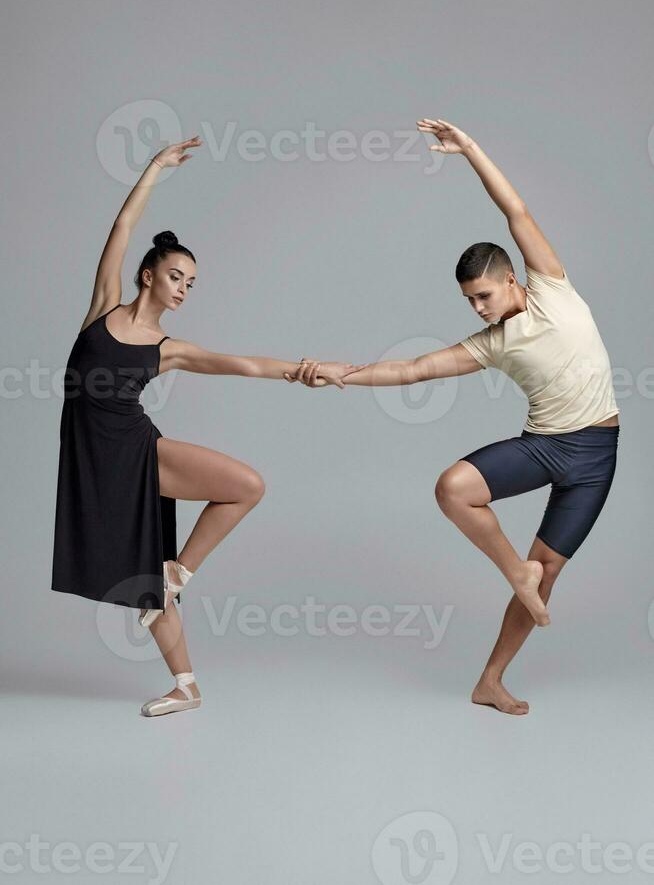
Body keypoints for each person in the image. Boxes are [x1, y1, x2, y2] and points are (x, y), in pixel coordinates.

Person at [287, 117, 620, 716]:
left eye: (484, 296)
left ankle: (490, 680)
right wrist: (346, 372)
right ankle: (514, 571)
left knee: (548, 570)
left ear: (511, 278)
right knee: (454, 489)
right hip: (546, 445)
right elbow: (413, 370)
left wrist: (469, 149)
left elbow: (514, 209)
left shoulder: (552, 288)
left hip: (597, 457)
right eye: (468, 300)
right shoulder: (490, 342)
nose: (477, 307)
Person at [51, 135, 362, 718]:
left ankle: (178, 573)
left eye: (191, 283)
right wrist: (153, 169)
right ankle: (186, 684)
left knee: (244, 486)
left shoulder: (168, 349)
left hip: (138, 452)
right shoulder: (103, 310)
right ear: (148, 276)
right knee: (139, 582)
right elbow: (120, 229)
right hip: (95, 465)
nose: (184, 288)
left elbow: (239, 363)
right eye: (176, 276)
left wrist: (306, 370)